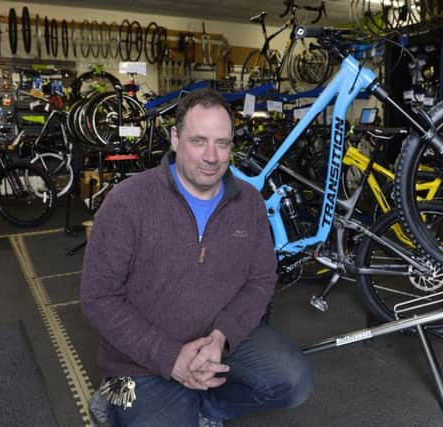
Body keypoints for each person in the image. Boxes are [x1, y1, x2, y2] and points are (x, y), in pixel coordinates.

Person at [81, 88, 314, 427]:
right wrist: (170, 357)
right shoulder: (128, 201)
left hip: (218, 343)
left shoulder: (248, 202)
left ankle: (207, 406)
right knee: (145, 407)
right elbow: (98, 297)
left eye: (222, 143)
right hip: (139, 360)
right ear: (175, 138)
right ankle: (114, 397)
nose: (212, 156)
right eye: (199, 141)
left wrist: (222, 337)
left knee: (294, 380)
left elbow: (261, 279)